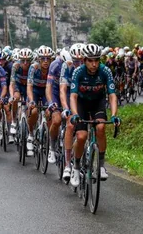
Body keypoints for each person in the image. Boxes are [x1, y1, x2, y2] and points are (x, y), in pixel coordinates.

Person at [69, 43, 119, 185]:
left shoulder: (105, 71)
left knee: (101, 128)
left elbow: (112, 95)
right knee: (81, 136)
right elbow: (73, 96)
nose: (94, 64)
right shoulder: (78, 72)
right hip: (82, 104)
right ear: (84, 60)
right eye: (90, 61)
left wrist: (114, 115)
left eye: (96, 60)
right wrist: (74, 114)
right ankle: (76, 167)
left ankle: (101, 165)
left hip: (97, 102)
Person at [59, 44, 83, 182]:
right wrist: (66, 108)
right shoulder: (66, 66)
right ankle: (68, 164)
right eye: (76, 61)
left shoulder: (89, 68)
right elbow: (62, 90)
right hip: (70, 95)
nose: (78, 63)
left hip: (83, 96)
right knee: (70, 124)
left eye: (81, 60)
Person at [27, 45, 53, 156]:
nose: (46, 61)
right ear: (39, 59)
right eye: (43, 58)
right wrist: (32, 100)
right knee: (33, 112)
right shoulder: (34, 68)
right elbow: (29, 86)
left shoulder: (53, 68)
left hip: (48, 90)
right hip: (36, 91)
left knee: (51, 112)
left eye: (48, 59)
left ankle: (50, 139)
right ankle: (31, 134)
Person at [46, 47, 67, 165]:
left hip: (68, 92)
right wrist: (50, 102)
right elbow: (48, 86)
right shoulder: (54, 65)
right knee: (57, 120)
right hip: (55, 92)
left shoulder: (76, 65)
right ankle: (52, 148)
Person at [9, 47, 33, 139]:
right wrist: (11, 96)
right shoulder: (15, 66)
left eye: (27, 60)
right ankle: (14, 121)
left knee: (29, 105)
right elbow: (11, 83)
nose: (25, 63)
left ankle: (30, 127)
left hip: (28, 86)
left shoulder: (33, 67)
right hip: (18, 85)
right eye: (23, 60)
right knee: (16, 97)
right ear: (20, 60)